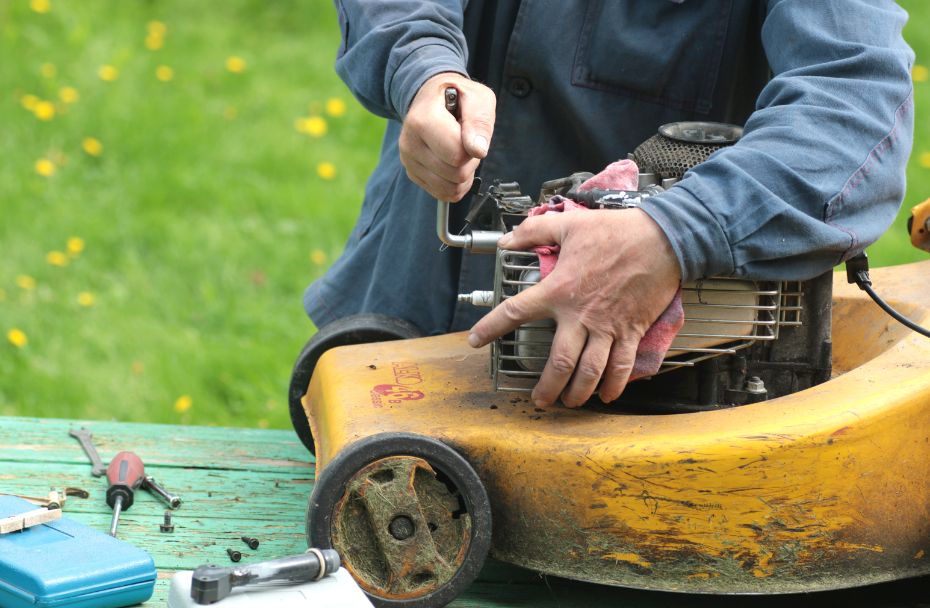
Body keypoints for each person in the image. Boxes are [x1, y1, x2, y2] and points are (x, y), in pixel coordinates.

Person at [304, 1, 914, 409]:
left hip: (658, 385)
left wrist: (678, 231)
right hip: (410, 293)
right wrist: (420, 64)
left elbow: (856, 101)